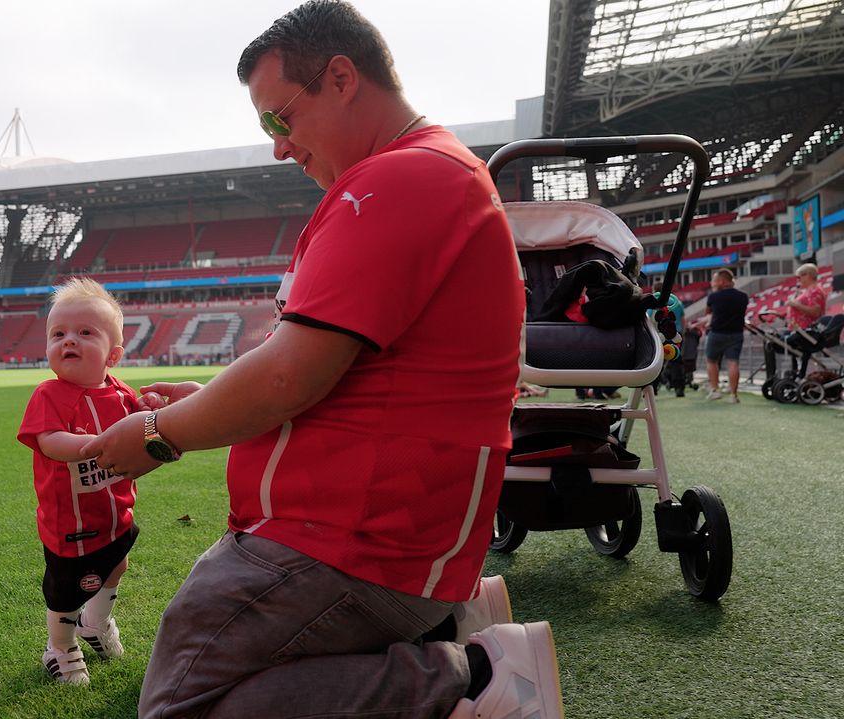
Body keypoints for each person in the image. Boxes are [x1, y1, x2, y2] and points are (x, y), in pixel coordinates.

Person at [79, 3, 561, 717]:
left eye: (280, 118)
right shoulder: (413, 177)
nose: (278, 145)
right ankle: (450, 628)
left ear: (340, 78)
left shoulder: (398, 181)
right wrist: (206, 395)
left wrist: (160, 434)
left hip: (352, 538)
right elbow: (324, 366)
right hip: (357, 527)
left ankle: (478, 676)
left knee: (182, 704)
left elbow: (289, 374)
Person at [16, 278, 140, 686]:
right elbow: (50, 442)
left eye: (85, 333)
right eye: (58, 334)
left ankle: (96, 622)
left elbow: (142, 425)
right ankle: (61, 644)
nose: (68, 340)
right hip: (70, 524)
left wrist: (154, 407)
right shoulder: (49, 395)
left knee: (116, 566)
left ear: (113, 354)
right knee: (68, 589)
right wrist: (96, 444)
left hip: (115, 512)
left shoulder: (121, 392)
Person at [703, 268, 749, 403]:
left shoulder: (713, 296)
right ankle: (733, 395)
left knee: (711, 361)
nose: (713, 283)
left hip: (717, 333)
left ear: (722, 281)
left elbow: (708, 312)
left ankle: (715, 390)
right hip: (736, 333)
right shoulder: (743, 296)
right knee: (733, 363)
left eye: (715, 280)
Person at [785, 263, 827, 331]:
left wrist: (795, 304)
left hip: (806, 332)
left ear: (808, 275)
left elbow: (815, 312)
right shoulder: (808, 291)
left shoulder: (815, 291)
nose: (798, 280)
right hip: (799, 331)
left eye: (799, 277)